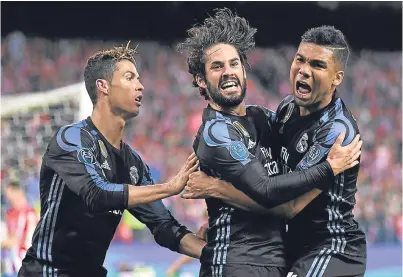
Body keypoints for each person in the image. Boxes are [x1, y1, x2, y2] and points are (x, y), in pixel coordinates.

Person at [177, 8, 362, 277]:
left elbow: (288, 205)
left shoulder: (272, 118)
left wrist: (218, 188)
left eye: (233, 63)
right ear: (201, 81)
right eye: (217, 66)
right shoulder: (219, 131)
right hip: (237, 262)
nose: (228, 72)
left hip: (307, 252)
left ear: (244, 69)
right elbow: (267, 190)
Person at [18, 43, 206, 277]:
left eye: (139, 78)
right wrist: (168, 188)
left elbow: (165, 227)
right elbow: (97, 194)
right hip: (48, 273)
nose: (140, 85)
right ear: (103, 86)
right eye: (129, 78)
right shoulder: (72, 138)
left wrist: (214, 252)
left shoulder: (132, 163)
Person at [1, 181, 38, 275]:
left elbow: (16, 240)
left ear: (18, 192)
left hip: (24, 262)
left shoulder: (28, 214)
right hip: (13, 263)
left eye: (9, 193)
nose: (7, 197)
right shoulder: (10, 213)